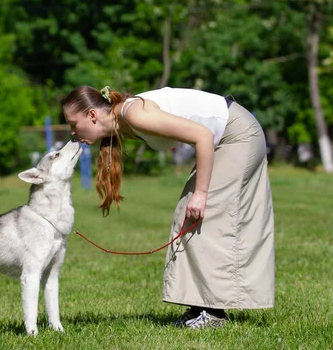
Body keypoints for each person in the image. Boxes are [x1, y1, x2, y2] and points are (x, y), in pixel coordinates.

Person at [62, 85, 275, 329]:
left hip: (237, 135)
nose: (72, 132)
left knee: (208, 217)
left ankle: (214, 314)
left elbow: (203, 136)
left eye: (73, 123)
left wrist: (201, 193)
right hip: (226, 135)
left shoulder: (133, 114)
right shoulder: (122, 123)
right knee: (189, 218)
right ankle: (199, 308)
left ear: (92, 115)